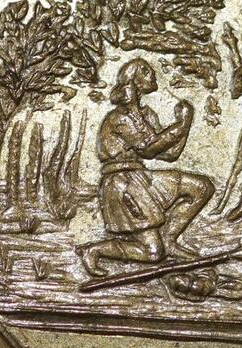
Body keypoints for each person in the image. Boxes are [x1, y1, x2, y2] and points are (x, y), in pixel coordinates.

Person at [76, 58, 215, 277]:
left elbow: (170, 154)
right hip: (122, 184)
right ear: (134, 80)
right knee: (153, 253)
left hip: (142, 177)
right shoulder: (119, 118)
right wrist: (181, 125)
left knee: (201, 187)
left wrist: (184, 125)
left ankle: (170, 240)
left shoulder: (146, 115)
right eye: (147, 72)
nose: (153, 76)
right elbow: (149, 148)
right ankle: (94, 250)